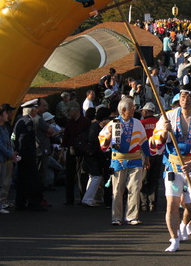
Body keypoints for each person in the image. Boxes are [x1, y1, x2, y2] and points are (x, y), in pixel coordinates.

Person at [151, 87, 191, 252]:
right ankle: (174, 239)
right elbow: (155, 143)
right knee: (172, 204)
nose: (185, 99)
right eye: (182, 96)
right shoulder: (168, 117)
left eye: (189, 97)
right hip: (174, 167)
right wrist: (165, 132)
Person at [99, 96, 150, 226]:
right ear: (123, 110)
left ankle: (132, 216)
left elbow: (144, 142)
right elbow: (103, 146)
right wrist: (110, 134)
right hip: (118, 161)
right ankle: (116, 217)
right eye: (132, 108)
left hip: (135, 160)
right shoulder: (113, 124)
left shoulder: (138, 123)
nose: (134, 109)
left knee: (134, 188)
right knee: (117, 190)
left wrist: (147, 157)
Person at [13, 99, 45, 211]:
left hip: (23, 155)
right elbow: (24, 139)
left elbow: (16, 138)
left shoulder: (19, 120)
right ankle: (33, 203)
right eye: (35, 108)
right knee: (32, 180)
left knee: (22, 180)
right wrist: (21, 153)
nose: (36, 110)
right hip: (27, 156)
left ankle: (20, 202)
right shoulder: (28, 122)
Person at [62, 101, 91, 206]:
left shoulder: (86, 122)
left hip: (81, 151)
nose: (68, 113)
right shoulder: (70, 122)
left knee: (81, 175)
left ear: (75, 110)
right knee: (69, 175)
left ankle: (83, 197)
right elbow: (66, 137)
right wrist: (63, 151)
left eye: (69, 110)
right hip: (71, 150)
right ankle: (69, 198)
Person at [139, 102, 161, 212]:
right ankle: (153, 204)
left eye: (143, 111)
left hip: (145, 153)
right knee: (154, 179)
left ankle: (143, 204)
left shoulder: (141, 123)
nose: (142, 112)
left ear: (146, 111)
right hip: (158, 153)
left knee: (143, 179)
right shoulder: (158, 122)